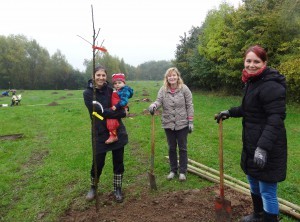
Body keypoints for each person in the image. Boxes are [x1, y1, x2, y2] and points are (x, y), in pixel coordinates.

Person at [215, 45, 287, 222]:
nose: (251, 65)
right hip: (251, 143)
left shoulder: (271, 85)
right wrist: (230, 112)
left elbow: (275, 119)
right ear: (244, 62)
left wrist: (262, 148)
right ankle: (258, 215)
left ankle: (270, 219)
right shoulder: (252, 82)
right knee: (254, 182)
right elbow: (249, 109)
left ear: (264, 63)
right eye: (249, 61)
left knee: (267, 191)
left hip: (268, 146)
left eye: (256, 61)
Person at [83, 65, 128, 203]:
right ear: (93, 76)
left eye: (103, 75)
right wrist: (120, 113)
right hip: (100, 131)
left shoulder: (111, 89)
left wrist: (123, 109)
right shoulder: (88, 93)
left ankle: (117, 188)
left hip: (116, 130)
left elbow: (123, 104)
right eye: (98, 75)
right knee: (98, 162)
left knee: (118, 161)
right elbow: (99, 111)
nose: (101, 78)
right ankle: (93, 187)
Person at [148, 67, 194, 182]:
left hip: (182, 123)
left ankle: (182, 171)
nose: (172, 77)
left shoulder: (184, 89)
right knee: (171, 148)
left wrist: (191, 121)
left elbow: (189, 105)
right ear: (167, 78)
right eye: (169, 76)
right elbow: (158, 101)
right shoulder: (163, 90)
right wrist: (153, 105)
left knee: (182, 148)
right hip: (168, 123)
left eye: (174, 75)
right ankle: (173, 170)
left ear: (178, 76)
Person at [105, 73, 133, 144]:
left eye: (119, 83)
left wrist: (116, 106)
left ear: (124, 83)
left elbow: (124, 101)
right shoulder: (119, 90)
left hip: (119, 107)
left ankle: (113, 136)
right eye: (115, 83)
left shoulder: (125, 90)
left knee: (112, 120)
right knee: (111, 120)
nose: (117, 84)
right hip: (117, 107)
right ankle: (112, 134)